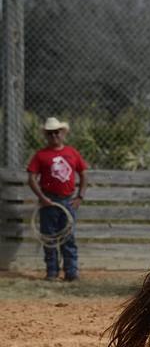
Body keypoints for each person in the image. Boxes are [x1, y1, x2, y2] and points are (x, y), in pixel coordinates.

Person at [26, 117, 90, 282]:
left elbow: (83, 174)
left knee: (69, 237)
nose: (54, 135)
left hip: (68, 201)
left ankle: (71, 273)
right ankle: (52, 272)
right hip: (49, 201)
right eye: (50, 133)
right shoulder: (41, 155)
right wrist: (42, 197)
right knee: (49, 238)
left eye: (56, 132)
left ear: (62, 133)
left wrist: (79, 197)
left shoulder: (72, 152)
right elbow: (32, 178)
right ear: (46, 135)